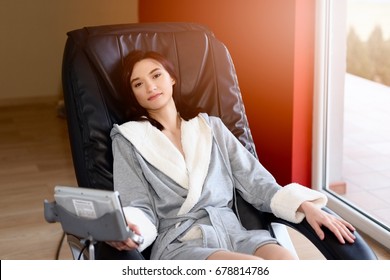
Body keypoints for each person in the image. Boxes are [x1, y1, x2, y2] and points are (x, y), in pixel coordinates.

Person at [107, 50, 356, 260]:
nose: (150, 86)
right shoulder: (129, 139)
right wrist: (129, 227)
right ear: (134, 95)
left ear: (172, 78)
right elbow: (136, 204)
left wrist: (305, 205)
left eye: (156, 75)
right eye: (138, 84)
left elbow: (255, 180)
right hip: (181, 243)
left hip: (234, 232)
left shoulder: (210, 127)